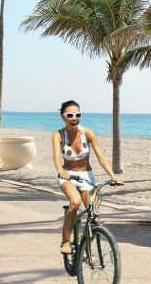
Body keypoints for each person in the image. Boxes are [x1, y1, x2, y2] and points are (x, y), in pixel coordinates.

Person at [52, 100, 122, 255]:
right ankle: (66, 241)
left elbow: (100, 156)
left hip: (86, 175)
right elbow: (56, 156)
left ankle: (88, 248)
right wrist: (60, 171)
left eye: (77, 115)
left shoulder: (88, 133)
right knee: (75, 202)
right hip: (68, 175)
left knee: (93, 213)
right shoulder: (58, 135)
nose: (74, 118)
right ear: (63, 117)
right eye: (70, 115)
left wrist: (113, 176)